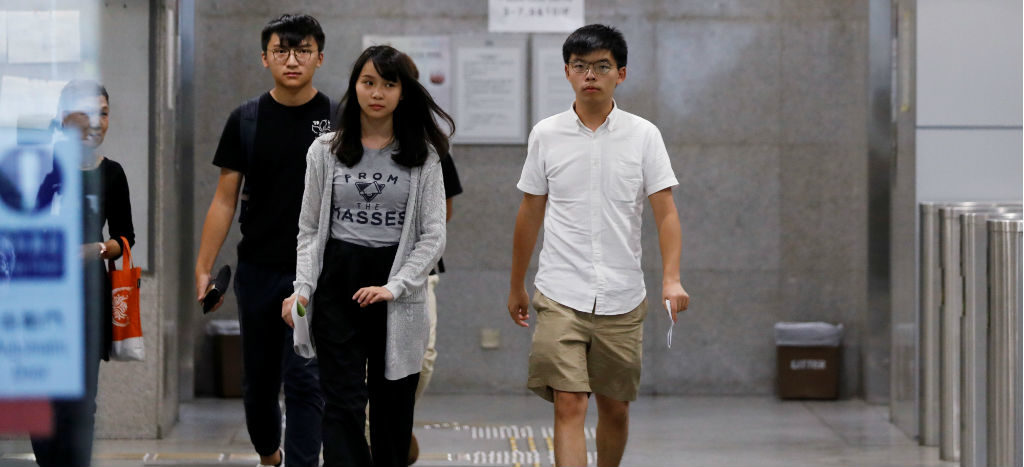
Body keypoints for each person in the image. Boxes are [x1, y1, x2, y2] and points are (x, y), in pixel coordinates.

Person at [506, 24, 690, 467]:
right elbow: (530, 211)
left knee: (615, 408)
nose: (590, 75)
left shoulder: (644, 135)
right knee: (569, 403)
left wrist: (671, 278)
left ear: (620, 74)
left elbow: (665, 210)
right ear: (567, 72)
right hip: (560, 292)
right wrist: (516, 284)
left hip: (623, 297)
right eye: (581, 66)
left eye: (601, 66)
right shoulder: (546, 135)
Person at [281, 44, 450, 467]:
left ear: (403, 92)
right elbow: (309, 230)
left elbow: (433, 236)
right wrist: (302, 289)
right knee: (341, 404)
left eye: (389, 84)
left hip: (397, 290)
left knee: (393, 406)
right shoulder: (325, 150)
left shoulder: (424, 157)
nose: (377, 93)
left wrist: (395, 287)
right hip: (339, 284)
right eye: (368, 82)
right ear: (354, 86)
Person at [194, 14, 328, 467]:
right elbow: (223, 200)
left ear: (319, 57)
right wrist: (203, 267)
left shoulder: (337, 120)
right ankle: (270, 456)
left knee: (307, 379)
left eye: (303, 50)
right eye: (281, 51)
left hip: (313, 273)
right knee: (258, 384)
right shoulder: (246, 119)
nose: (292, 60)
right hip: (257, 269)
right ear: (264, 58)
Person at [30, 79, 135, 467]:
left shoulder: (112, 173)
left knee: (82, 400)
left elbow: (126, 237)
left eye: (103, 113)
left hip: (89, 294)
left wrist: (97, 248)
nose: (97, 122)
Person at [402, 53, 464, 466]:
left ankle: (395, 420)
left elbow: (446, 207)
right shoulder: (346, 140)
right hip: (361, 270)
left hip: (421, 270)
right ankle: (375, 434)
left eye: (396, 83)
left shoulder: (428, 142)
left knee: (422, 360)